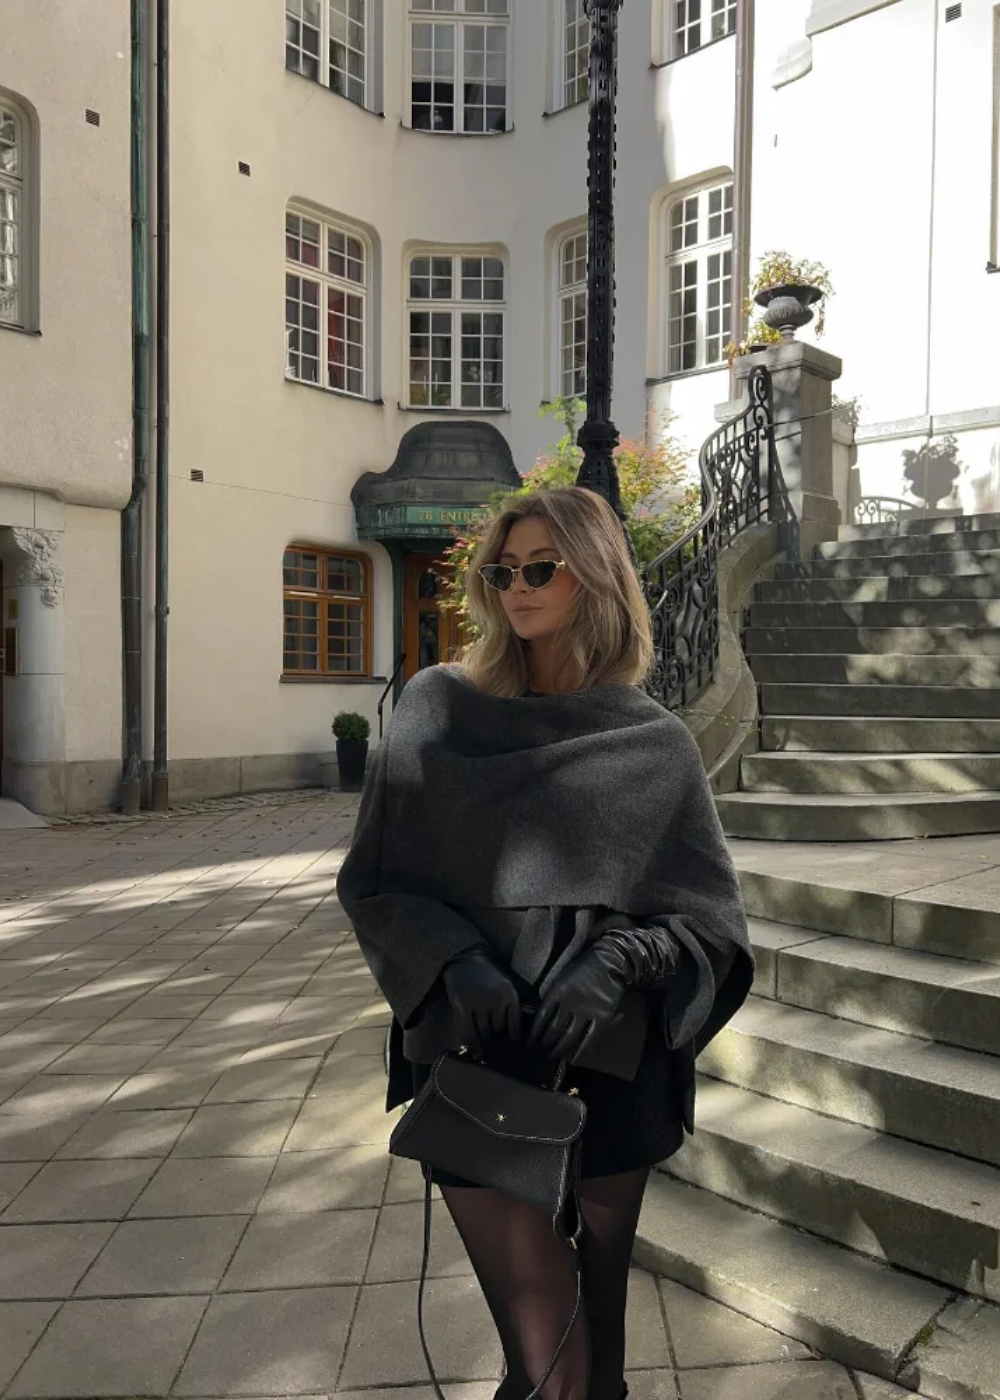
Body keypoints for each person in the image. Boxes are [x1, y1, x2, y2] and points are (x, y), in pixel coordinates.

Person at [337, 486, 753, 1400]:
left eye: (540, 569)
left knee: (597, 1356)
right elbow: (374, 882)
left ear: (593, 577)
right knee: (551, 1364)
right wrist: (456, 960)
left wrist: (621, 960)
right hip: (476, 1055)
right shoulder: (438, 707)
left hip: (612, 1067)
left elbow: (708, 918)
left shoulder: (653, 742)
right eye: (503, 572)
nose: (516, 588)